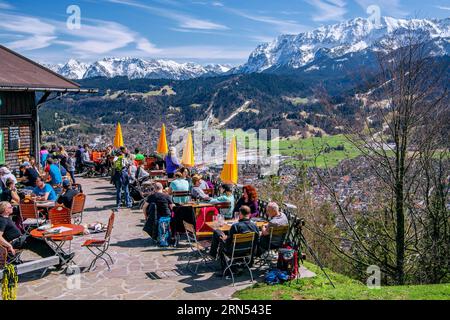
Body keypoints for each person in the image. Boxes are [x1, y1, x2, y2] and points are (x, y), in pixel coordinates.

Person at [0, 201, 74, 265]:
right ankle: (59, 259)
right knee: (38, 243)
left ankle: (59, 257)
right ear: (5, 210)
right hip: (15, 242)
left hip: (20, 239)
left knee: (42, 240)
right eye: (10, 207)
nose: (12, 207)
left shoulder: (6, 218)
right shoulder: (2, 220)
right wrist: (9, 245)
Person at [209, 206, 259, 274]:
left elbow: (228, 243)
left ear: (240, 214)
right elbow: (257, 241)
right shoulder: (255, 226)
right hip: (248, 251)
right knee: (220, 234)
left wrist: (225, 239)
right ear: (249, 214)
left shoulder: (235, 226)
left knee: (217, 232)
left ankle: (213, 255)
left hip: (233, 252)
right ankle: (213, 254)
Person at [142, 183, 174, 247]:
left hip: (155, 217)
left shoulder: (152, 196)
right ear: (162, 188)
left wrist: (146, 216)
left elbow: (144, 207)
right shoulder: (167, 196)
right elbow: (172, 207)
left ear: (154, 189)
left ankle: (157, 237)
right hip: (166, 216)